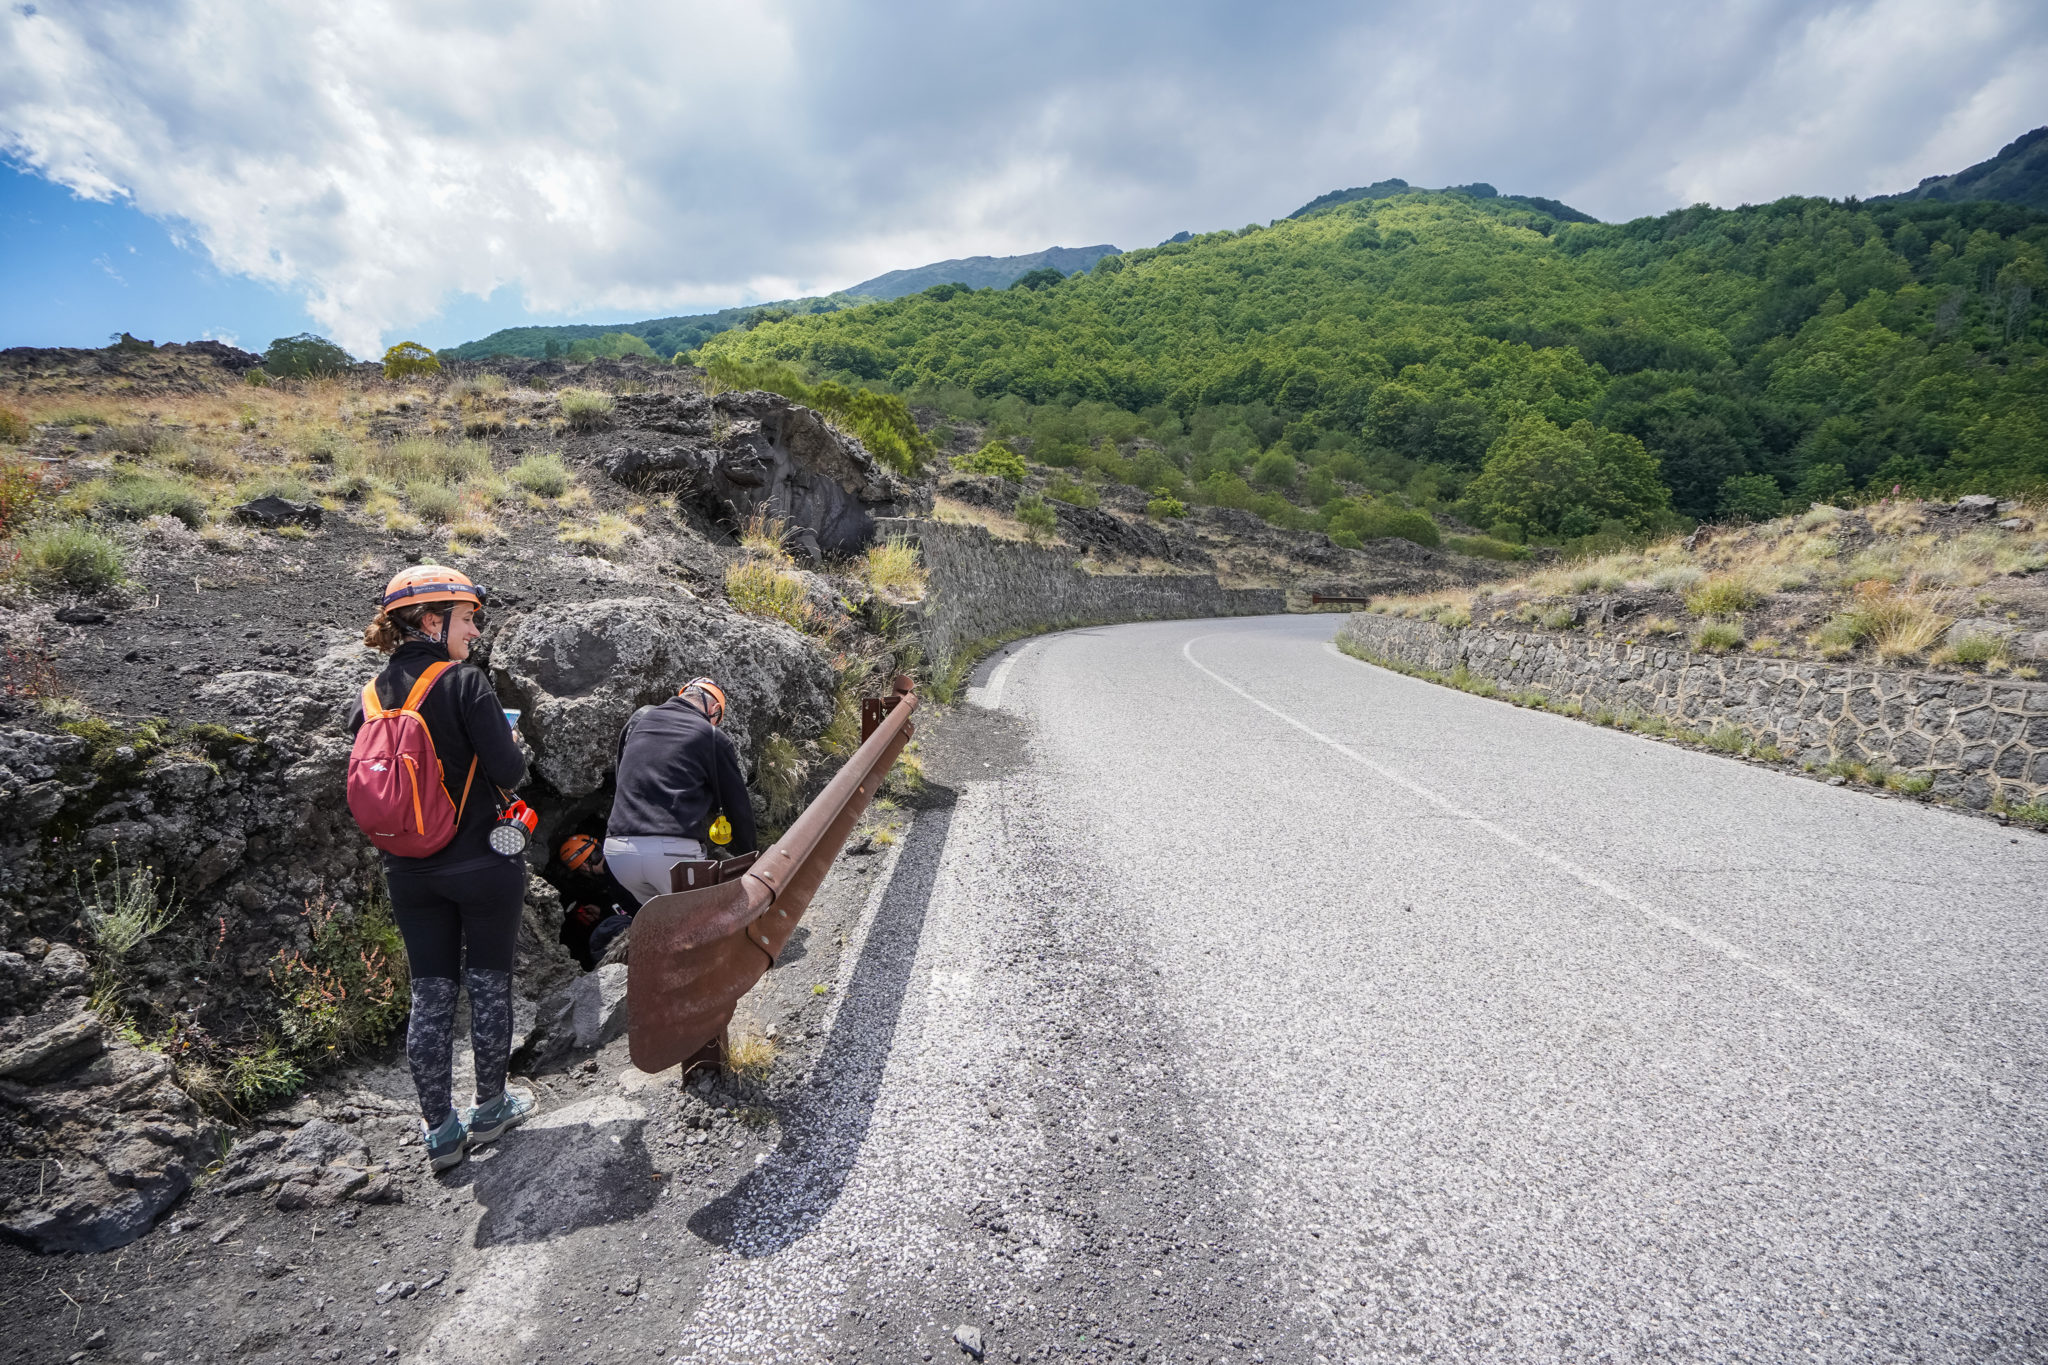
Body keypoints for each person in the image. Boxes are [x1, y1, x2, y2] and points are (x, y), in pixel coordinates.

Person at [349, 565, 537, 1172]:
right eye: (467, 618)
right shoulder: (464, 682)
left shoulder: (371, 695)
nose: (475, 631)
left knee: (429, 996)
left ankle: (440, 1133)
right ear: (431, 621)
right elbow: (508, 771)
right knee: (488, 986)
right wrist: (512, 742)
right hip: (481, 861)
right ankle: (491, 1109)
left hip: (407, 870)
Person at [605, 677, 757, 903]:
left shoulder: (639, 720)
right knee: (703, 917)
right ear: (714, 709)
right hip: (672, 854)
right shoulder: (712, 736)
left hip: (618, 852)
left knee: (663, 921)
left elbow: (622, 777)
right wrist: (751, 855)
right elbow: (736, 805)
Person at [550, 833, 634, 968]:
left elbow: (631, 912)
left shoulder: (613, 881)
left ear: (584, 866)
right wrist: (603, 911)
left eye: (579, 871)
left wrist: (606, 914)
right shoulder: (621, 860)